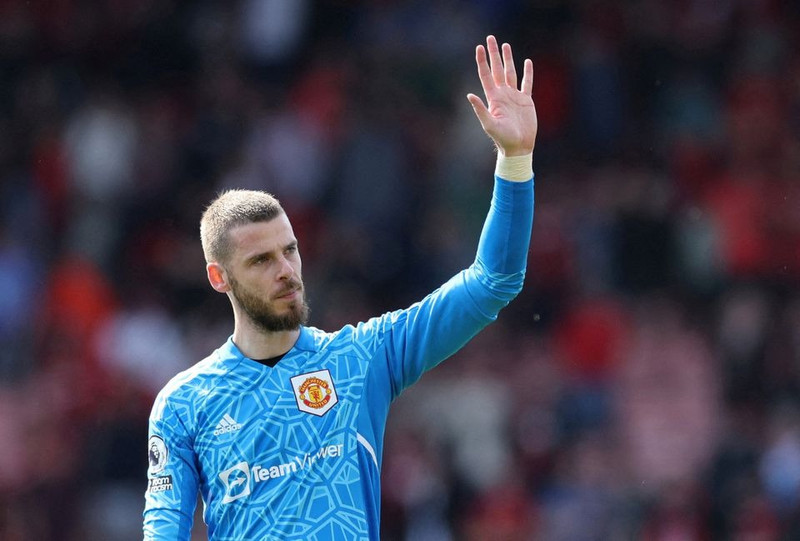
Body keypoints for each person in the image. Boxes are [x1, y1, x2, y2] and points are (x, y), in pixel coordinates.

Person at [143, 35, 537, 540]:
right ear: (219, 277)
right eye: (261, 259)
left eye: (290, 250)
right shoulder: (185, 403)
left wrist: (516, 159)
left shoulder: (360, 358)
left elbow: (494, 282)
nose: (285, 269)